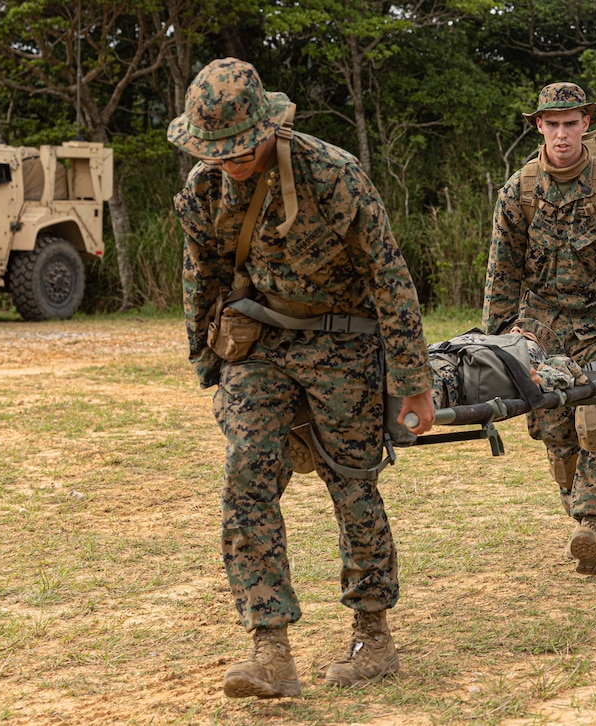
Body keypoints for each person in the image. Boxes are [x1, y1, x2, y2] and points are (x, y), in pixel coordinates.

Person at [167, 57, 435, 697]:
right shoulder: (204, 194)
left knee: (352, 482)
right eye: (216, 151)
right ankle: (270, 649)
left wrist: (412, 381)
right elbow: (200, 277)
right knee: (247, 476)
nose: (229, 160)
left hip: (342, 341)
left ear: (268, 129)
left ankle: (373, 636)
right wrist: (208, 359)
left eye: (239, 148)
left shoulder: (332, 175)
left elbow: (390, 280)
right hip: (259, 344)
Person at [482, 82, 596, 576]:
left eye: (571, 123)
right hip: (539, 323)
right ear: (538, 126)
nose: (562, 134)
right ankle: (575, 498)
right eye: (552, 124)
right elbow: (502, 272)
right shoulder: (517, 191)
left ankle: (591, 522)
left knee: (594, 421)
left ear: (586, 124)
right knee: (551, 427)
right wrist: (495, 344)